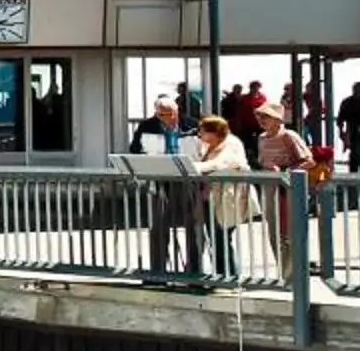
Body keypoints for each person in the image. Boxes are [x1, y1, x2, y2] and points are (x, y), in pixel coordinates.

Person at [126, 97, 192, 276]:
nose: (169, 117)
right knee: (158, 227)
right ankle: (158, 271)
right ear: (156, 113)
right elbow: (134, 149)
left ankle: (193, 272)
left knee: (193, 226)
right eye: (163, 114)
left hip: (186, 180)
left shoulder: (190, 125)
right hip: (159, 180)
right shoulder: (147, 126)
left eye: (172, 113)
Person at [187, 115, 256, 280]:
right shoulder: (208, 145)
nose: (199, 135)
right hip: (210, 197)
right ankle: (221, 276)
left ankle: (229, 277)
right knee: (216, 239)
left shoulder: (231, 143)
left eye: (202, 131)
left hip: (228, 198)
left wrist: (192, 167)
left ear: (214, 132)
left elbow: (220, 163)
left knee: (221, 238)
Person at [251, 101, 310, 278]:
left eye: (266, 116)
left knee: (290, 232)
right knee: (273, 231)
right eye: (259, 116)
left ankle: (294, 275)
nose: (261, 120)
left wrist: (285, 171)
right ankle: (284, 272)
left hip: (289, 189)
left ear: (277, 119)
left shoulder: (289, 135)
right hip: (270, 188)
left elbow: (308, 160)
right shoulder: (261, 138)